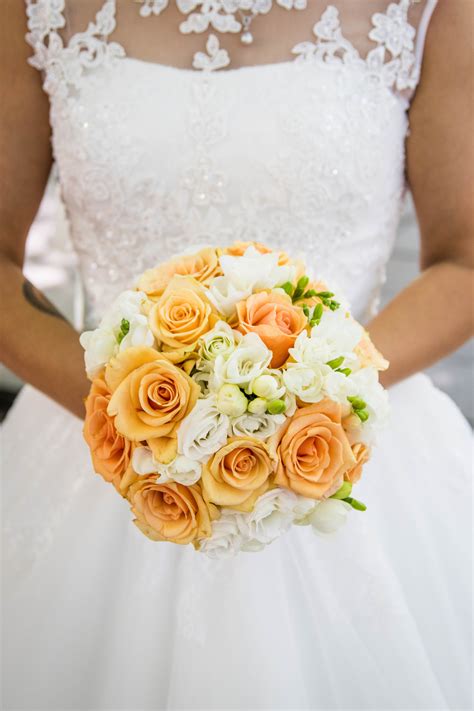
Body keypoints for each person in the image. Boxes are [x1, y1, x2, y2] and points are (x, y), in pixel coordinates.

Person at [1, 1, 472, 709]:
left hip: (345, 452)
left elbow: (463, 262)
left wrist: (315, 398)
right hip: (97, 436)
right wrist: (138, 414)